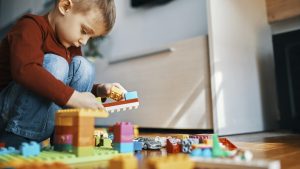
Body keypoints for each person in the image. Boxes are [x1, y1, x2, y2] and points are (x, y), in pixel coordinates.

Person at [0, 0, 124, 148]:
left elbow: (63, 88)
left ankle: (65, 137)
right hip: (10, 116)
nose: (84, 42)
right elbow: (26, 70)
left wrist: (99, 90)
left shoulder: (71, 45)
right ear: (65, 7)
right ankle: (17, 137)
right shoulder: (30, 26)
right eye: (84, 31)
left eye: (91, 38)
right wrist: (74, 98)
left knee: (83, 66)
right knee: (56, 63)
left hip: (46, 120)